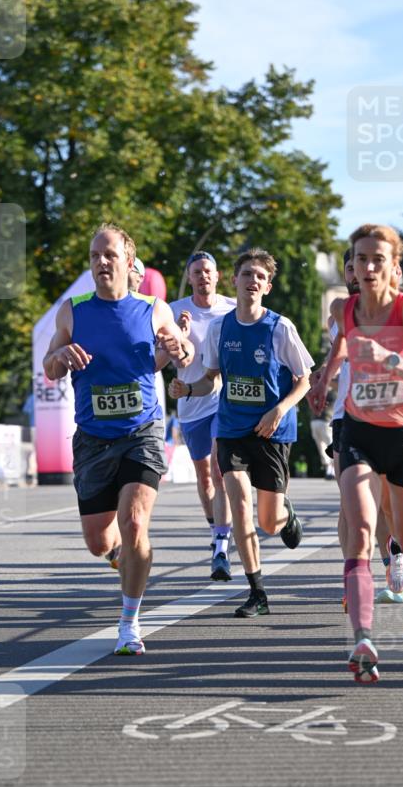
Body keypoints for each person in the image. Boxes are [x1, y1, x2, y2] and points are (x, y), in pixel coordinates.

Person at [43, 223, 193, 657]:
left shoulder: (154, 308)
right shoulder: (73, 311)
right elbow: (50, 369)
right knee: (99, 541)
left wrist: (180, 348)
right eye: (94, 256)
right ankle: (119, 559)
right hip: (93, 438)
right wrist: (59, 357)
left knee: (133, 523)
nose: (101, 262)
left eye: (109, 255)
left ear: (130, 263)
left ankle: (129, 624)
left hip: (142, 431)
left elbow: (184, 354)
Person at [309, 224, 403, 684]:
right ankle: (362, 637)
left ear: (393, 266)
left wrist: (391, 361)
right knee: (361, 530)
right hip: (359, 431)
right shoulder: (344, 307)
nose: (367, 267)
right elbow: (342, 345)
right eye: (360, 258)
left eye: (376, 260)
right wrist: (324, 379)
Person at [170, 248, 313, 616]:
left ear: (267, 287)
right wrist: (187, 390)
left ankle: (285, 513)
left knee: (269, 520)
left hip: (271, 432)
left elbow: (304, 381)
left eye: (260, 277)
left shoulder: (280, 328)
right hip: (232, 427)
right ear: (234, 281)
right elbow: (210, 380)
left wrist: (280, 408)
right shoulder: (220, 327)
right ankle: (257, 593)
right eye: (247, 274)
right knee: (238, 502)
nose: (252, 281)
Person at [164, 251, 236, 581]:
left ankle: (222, 544)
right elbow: (167, 360)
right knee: (204, 475)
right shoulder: (175, 310)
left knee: (220, 472)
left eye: (208, 271)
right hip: (191, 402)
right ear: (190, 277)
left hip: (225, 400)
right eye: (197, 272)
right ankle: (216, 531)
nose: (203, 276)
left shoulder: (233, 309)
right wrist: (178, 336)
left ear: (217, 276)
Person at [310, 387, 335, 479]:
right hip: (320, 421)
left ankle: (331, 470)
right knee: (324, 446)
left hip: (322, 421)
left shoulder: (330, 392)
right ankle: (330, 469)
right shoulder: (331, 392)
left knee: (326, 446)